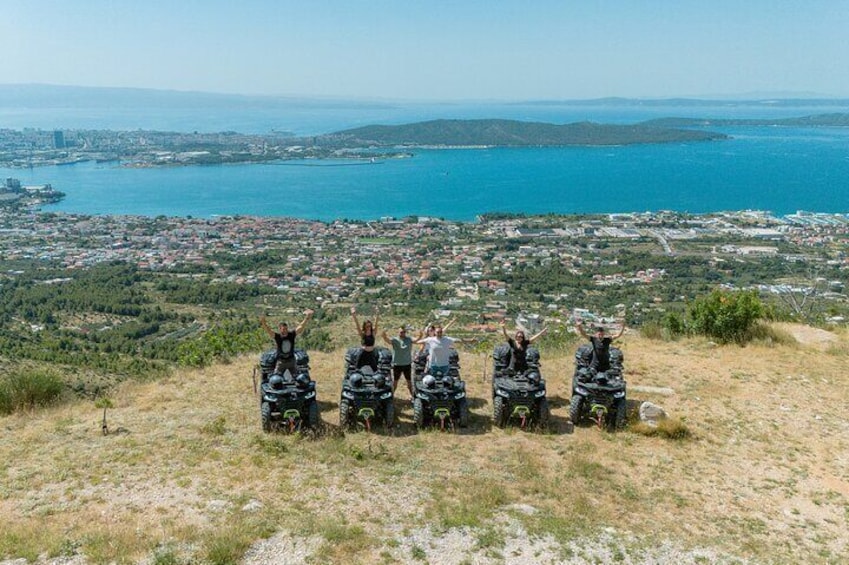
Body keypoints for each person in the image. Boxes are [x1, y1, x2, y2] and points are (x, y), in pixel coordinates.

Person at [260, 309, 314, 376]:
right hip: (281, 362)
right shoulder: (278, 337)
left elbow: (300, 327)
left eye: (286, 329)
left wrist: (307, 318)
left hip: (291, 361)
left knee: (297, 377)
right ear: (280, 329)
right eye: (283, 329)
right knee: (276, 378)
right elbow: (268, 330)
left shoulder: (291, 335)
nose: (285, 330)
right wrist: (263, 322)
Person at [382, 325, 416, 396]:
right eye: (400, 332)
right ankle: (391, 396)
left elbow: (417, 339)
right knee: (395, 382)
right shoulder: (395, 340)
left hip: (407, 364)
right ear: (398, 332)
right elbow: (386, 339)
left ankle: (412, 396)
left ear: (405, 332)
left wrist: (421, 334)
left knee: (409, 382)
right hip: (397, 364)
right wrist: (384, 333)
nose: (402, 333)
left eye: (403, 332)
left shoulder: (409, 339)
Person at [351, 305, 380, 371]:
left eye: (370, 326)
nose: (369, 327)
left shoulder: (373, 333)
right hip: (363, 353)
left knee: (375, 369)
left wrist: (377, 313)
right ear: (365, 326)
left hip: (371, 353)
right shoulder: (362, 334)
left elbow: (376, 323)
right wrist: (354, 315)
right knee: (357, 369)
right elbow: (357, 325)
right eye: (367, 326)